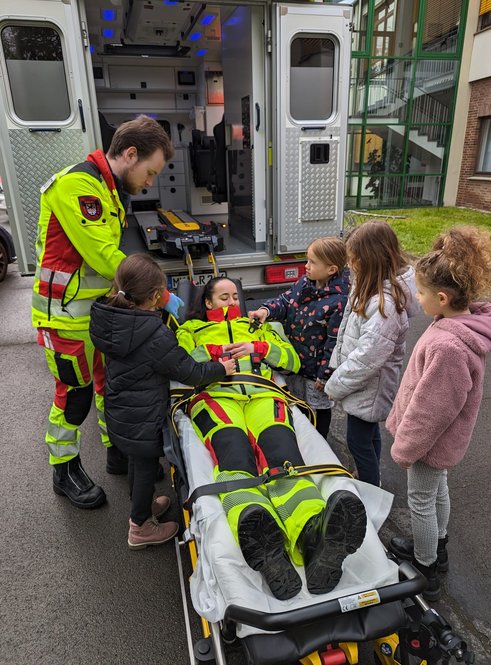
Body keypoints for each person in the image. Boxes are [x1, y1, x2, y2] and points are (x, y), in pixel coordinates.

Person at [176, 277, 367, 600]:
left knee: (284, 458)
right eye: (224, 297)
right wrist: (215, 352)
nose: (232, 301)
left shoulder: (258, 327)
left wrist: (258, 348)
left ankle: (312, 536)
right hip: (216, 397)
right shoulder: (190, 330)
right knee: (234, 456)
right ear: (208, 303)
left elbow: (292, 361)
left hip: (264, 396)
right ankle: (265, 545)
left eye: (236, 295)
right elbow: (180, 363)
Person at [32, 115, 184, 510]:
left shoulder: (106, 189)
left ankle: (116, 450)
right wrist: (157, 293)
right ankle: (64, 469)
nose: (150, 182)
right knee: (75, 396)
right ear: (130, 154)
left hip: (94, 314)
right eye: (149, 172)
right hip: (63, 315)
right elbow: (102, 256)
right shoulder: (78, 186)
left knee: (106, 384)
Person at [89, 254, 235, 548]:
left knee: (135, 462)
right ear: (156, 296)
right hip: (143, 418)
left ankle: (140, 506)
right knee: (144, 467)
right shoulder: (154, 334)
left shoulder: (111, 318)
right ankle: (140, 527)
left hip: (121, 412)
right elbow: (190, 372)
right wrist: (222, 368)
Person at [387, 226, 491, 601]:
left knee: (421, 498)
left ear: (441, 296)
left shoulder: (449, 345)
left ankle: (426, 567)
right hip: (439, 443)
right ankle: (437, 544)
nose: (416, 299)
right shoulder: (455, 324)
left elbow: (431, 411)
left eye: (419, 293)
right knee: (437, 490)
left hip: (429, 444)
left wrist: (405, 448)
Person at [324, 220, 419, 487]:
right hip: (364, 386)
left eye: (354, 260)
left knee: (358, 441)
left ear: (371, 259)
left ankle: (369, 489)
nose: (350, 265)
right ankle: (371, 476)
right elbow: (348, 333)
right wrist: (336, 368)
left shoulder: (383, 305)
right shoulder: (370, 286)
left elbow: (367, 359)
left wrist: (335, 385)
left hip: (369, 386)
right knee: (367, 435)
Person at [248, 237, 349, 439]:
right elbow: (285, 301)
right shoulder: (304, 283)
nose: (306, 266)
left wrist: (325, 375)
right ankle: (302, 440)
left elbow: (334, 343)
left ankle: (320, 443)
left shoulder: (339, 302)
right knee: (298, 403)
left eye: (312, 262)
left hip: (316, 373)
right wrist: (266, 311)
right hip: (296, 362)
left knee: (318, 410)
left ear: (331, 269)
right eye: (307, 260)